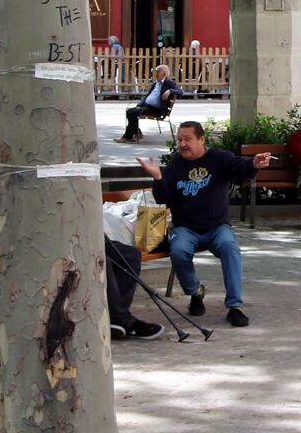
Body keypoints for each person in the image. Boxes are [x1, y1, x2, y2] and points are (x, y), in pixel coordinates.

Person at [144, 121, 263, 325]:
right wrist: (157, 177)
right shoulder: (175, 165)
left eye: (187, 139)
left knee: (230, 248)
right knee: (179, 251)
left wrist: (253, 164)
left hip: (217, 227)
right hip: (185, 228)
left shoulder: (219, 158)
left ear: (201, 139)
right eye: (180, 139)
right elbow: (163, 198)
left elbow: (240, 168)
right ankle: (196, 292)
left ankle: (234, 306)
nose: (182, 144)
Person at [99, 201, 162, 340]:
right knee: (104, 261)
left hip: (94, 238)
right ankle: (124, 320)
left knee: (131, 255)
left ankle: (116, 317)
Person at [117, 64, 180, 141]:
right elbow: (147, 95)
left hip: (156, 110)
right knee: (129, 111)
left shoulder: (170, 83)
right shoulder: (155, 83)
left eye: (157, 72)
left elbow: (180, 92)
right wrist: (140, 104)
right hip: (147, 107)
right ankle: (137, 132)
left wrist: (170, 91)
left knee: (132, 113)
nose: (155, 74)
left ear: (163, 73)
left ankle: (127, 137)